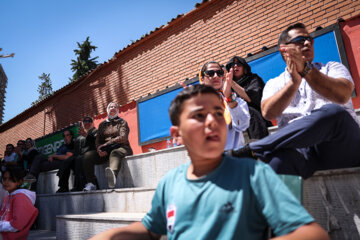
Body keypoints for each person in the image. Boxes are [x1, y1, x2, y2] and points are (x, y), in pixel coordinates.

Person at [89, 85, 329, 240]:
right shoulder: (170, 183)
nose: (213, 121)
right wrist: (107, 237)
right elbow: (151, 230)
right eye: (199, 116)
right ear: (177, 134)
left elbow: (311, 232)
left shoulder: (254, 175)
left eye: (217, 112)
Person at [231, 23, 360, 179]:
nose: (307, 43)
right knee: (275, 162)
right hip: (301, 152)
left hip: (341, 146)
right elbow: (267, 113)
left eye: (309, 40)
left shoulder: (332, 68)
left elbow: (342, 95)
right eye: (300, 40)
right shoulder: (274, 83)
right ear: (284, 50)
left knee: (334, 113)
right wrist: (293, 83)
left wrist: (306, 71)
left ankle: (253, 149)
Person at [199, 61, 250, 150]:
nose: (216, 76)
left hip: (236, 157)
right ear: (202, 78)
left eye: (219, 73)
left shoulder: (235, 100)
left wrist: (229, 98)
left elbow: (242, 125)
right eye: (210, 73)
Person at [226, 56, 272, 139]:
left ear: (245, 68)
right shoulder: (227, 84)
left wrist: (231, 82)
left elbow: (249, 97)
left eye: (238, 64)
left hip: (255, 120)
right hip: (235, 122)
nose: (235, 66)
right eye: (232, 64)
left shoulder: (253, 79)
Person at [96, 102, 133, 189]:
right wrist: (99, 149)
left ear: (117, 110)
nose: (112, 108)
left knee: (115, 152)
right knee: (88, 156)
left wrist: (107, 144)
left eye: (115, 107)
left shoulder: (122, 122)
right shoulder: (102, 125)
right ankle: (90, 183)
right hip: (106, 150)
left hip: (122, 147)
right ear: (107, 110)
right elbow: (98, 140)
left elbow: (123, 137)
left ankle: (112, 176)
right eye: (110, 107)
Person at [0, 165, 38, 240]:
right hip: (4, 232)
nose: (6, 182)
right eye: (4, 179)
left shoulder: (20, 197)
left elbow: (16, 225)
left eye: (11, 179)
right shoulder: (8, 196)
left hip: (12, 236)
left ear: (19, 182)